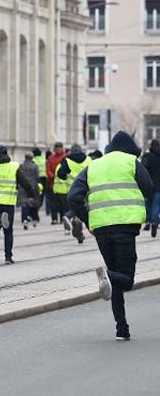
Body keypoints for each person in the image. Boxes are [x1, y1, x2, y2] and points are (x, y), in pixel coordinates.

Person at [68, 131, 152, 341]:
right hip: (124, 225)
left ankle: (121, 329)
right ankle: (107, 275)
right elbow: (149, 189)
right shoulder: (131, 162)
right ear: (130, 150)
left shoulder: (93, 165)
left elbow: (73, 197)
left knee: (115, 281)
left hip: (101, 228)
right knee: (127, 280)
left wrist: (88, 220)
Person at [57, 143, 91, 243]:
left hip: (72, 189)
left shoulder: (67, 160)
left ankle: (77, 232)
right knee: (81, 209)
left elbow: (60, 174)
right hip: (86, 189)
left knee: (75, 207)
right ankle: (70, 218)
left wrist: (65, 176)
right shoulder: (89, 160)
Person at [140, 139, 160, 237]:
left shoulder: (147, 156)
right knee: (157, 205)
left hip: (148, 185)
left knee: (148, 204)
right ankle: (155, 222)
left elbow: (143, 169)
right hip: (159, 186)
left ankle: (148, 221)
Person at [46, 142, 67, 225]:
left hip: (63, 186)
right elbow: (48, 169)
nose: (58, 150)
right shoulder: (51, 158)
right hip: (52, 184)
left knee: (62, 203)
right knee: (53, 203)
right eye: (57, 148)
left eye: (59, 148)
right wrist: (54, 176)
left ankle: (62, 218)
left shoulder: (65, 157)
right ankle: (54, 218)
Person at [19, 153, 41, 230]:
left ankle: (25, 220)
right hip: (33, 186)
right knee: (33, 203)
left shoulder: (21, 166)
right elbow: (38, 177)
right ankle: (34, 220)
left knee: (24, 204)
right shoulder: (35, 166)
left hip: (23, 187)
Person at [32, 148, 49, 220]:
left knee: (36, 194)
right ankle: (39, 205)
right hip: (44, 179)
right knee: (42, 194)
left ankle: (36, 208)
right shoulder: (44, 160)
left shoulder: (33, 160)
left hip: (36, 179)